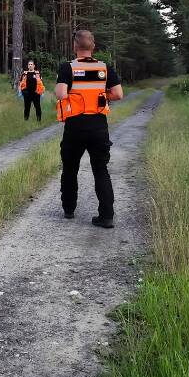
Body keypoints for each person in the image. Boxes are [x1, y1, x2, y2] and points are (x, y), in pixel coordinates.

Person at [55, 29, 124, 228]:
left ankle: (69, 209)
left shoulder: (68, 67)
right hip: (98, 126)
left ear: (75, 46)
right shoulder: (104, 68)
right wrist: (102, 97)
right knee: (101, 170)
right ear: (93, 47)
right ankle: (107, 216)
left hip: (75, 126)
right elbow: (118, 94)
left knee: (70, 169)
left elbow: (61, 94)